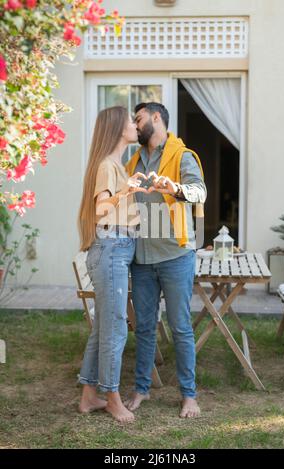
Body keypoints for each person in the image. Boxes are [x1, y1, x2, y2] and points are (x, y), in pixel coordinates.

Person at [124, 102, 207, 418]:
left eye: (139, 118)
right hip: (141, 259)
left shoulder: (182, 156)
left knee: (180, 327)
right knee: (144, 327)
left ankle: (189, 395)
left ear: (156, 117)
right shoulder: (133, 160)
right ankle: (141, 389)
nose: (135, 124)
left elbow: (200, 191)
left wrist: (178, 189)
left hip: (175, 256)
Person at [77, 106, 148, 423]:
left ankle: (89, 396)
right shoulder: (108, 165)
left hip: (116, 248)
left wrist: (133, 188)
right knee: (116, 329)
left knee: (104, 328)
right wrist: (126, 190)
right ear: (119, 128)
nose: (136, 125)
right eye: (131, 122)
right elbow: (103, 208)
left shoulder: (114, 165)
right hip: (111, 249)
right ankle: (112, 397)